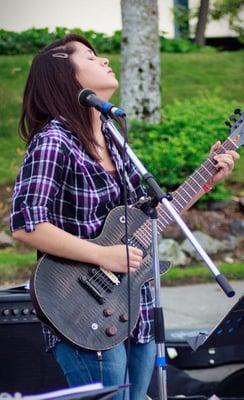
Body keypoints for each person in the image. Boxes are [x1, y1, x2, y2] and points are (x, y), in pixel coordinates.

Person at [10, 34, 239, 400]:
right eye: (90, 56)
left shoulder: (113, 137)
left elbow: (151, 217)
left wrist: (206, 180)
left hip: (136, 309)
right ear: (64, 76)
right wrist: (102, 255)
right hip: (80, 307)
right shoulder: (54, 139)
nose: (103, 60)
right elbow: (26, 224)